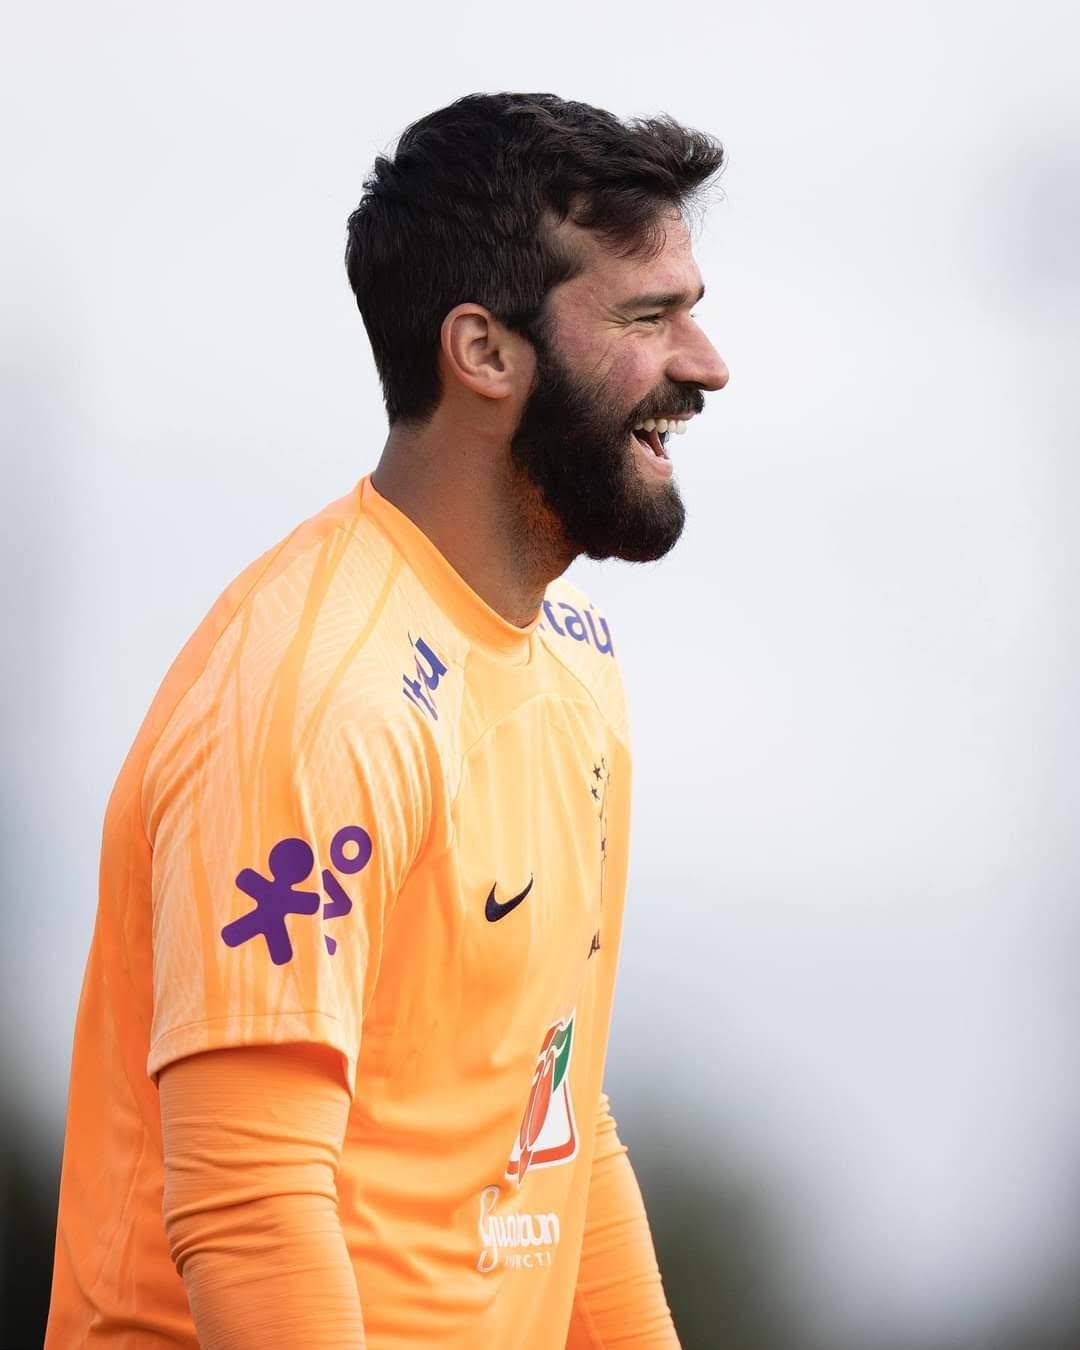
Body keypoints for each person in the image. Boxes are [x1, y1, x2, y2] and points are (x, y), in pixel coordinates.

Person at [45, 91, 730, 1349]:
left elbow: (557, 1123)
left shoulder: (573, 657)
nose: (706, 363)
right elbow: (252, 1207)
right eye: (648, 318)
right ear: (484, 353)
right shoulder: (316, 693)